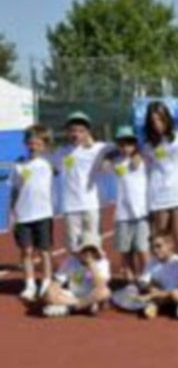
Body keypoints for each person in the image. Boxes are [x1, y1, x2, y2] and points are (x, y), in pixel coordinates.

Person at [52, 111, 111, 252]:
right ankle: (77, 266)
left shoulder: (97, 148)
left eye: (81, 131)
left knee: (94, 245)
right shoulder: (61, 152)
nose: (76, 134)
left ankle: (97, 267)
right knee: (73, 247)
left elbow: (118, 148)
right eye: (72, 131)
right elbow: (53, 169)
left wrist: (107, 159)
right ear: (67, 132)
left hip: (90, 205)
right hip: (70, 207)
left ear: (88, 133)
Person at [10, 125, 55, 301]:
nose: (33, 146)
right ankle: (29, 284)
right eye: (30, 143)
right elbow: (14, 190)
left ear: (44, 146)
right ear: (25, 144)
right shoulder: (18, 165)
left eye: (38, 143)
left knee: (44, 251)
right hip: (23, 215)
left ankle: (46, 282)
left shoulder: (48, 163)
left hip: (43, 214)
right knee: (26, 251)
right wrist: (12, 213)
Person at [142, 101, 178, 247]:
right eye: (153, 121)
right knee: (161, 243)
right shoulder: (148, 145)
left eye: (160, 119)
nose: (157, 124)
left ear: (167, 119)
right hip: (159, 196)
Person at [106, 126, 150, 285]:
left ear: (135, 145)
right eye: (122, 144)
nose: (125, 148)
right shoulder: (116, 161)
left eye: (129, 144)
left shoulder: (141, 159)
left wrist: (137, 153)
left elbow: (140, 158)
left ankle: (147, 279)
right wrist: (111, 155)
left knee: (142, 249)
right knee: (125, 252)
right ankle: (130, 281)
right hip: (122, 214)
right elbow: (105, 162)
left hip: (140, 213)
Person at [41, 232, 112, 317]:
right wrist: (51, 293)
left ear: (96, 252)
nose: (87, 254)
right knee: (49, 294)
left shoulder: (102, 263)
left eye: (91, 251)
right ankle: (82, 306)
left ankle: (67, 309)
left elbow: (100, 285)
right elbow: (56, 283)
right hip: (72, 296)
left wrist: (91, 265)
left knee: (105, 292)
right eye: (85, 250)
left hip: (92, 295)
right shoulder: (71, 261)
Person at [137, 234, 178, 319]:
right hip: (160, 295)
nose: (155, 250)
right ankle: (156, 306)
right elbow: (143, 281)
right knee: (138, 287)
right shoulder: (152, 261)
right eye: (152, 247)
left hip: (174, 297)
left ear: (170, 245)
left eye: (158, 246)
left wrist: (151, 295)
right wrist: (150, 287)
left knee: (176, 294)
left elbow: (174, 291)